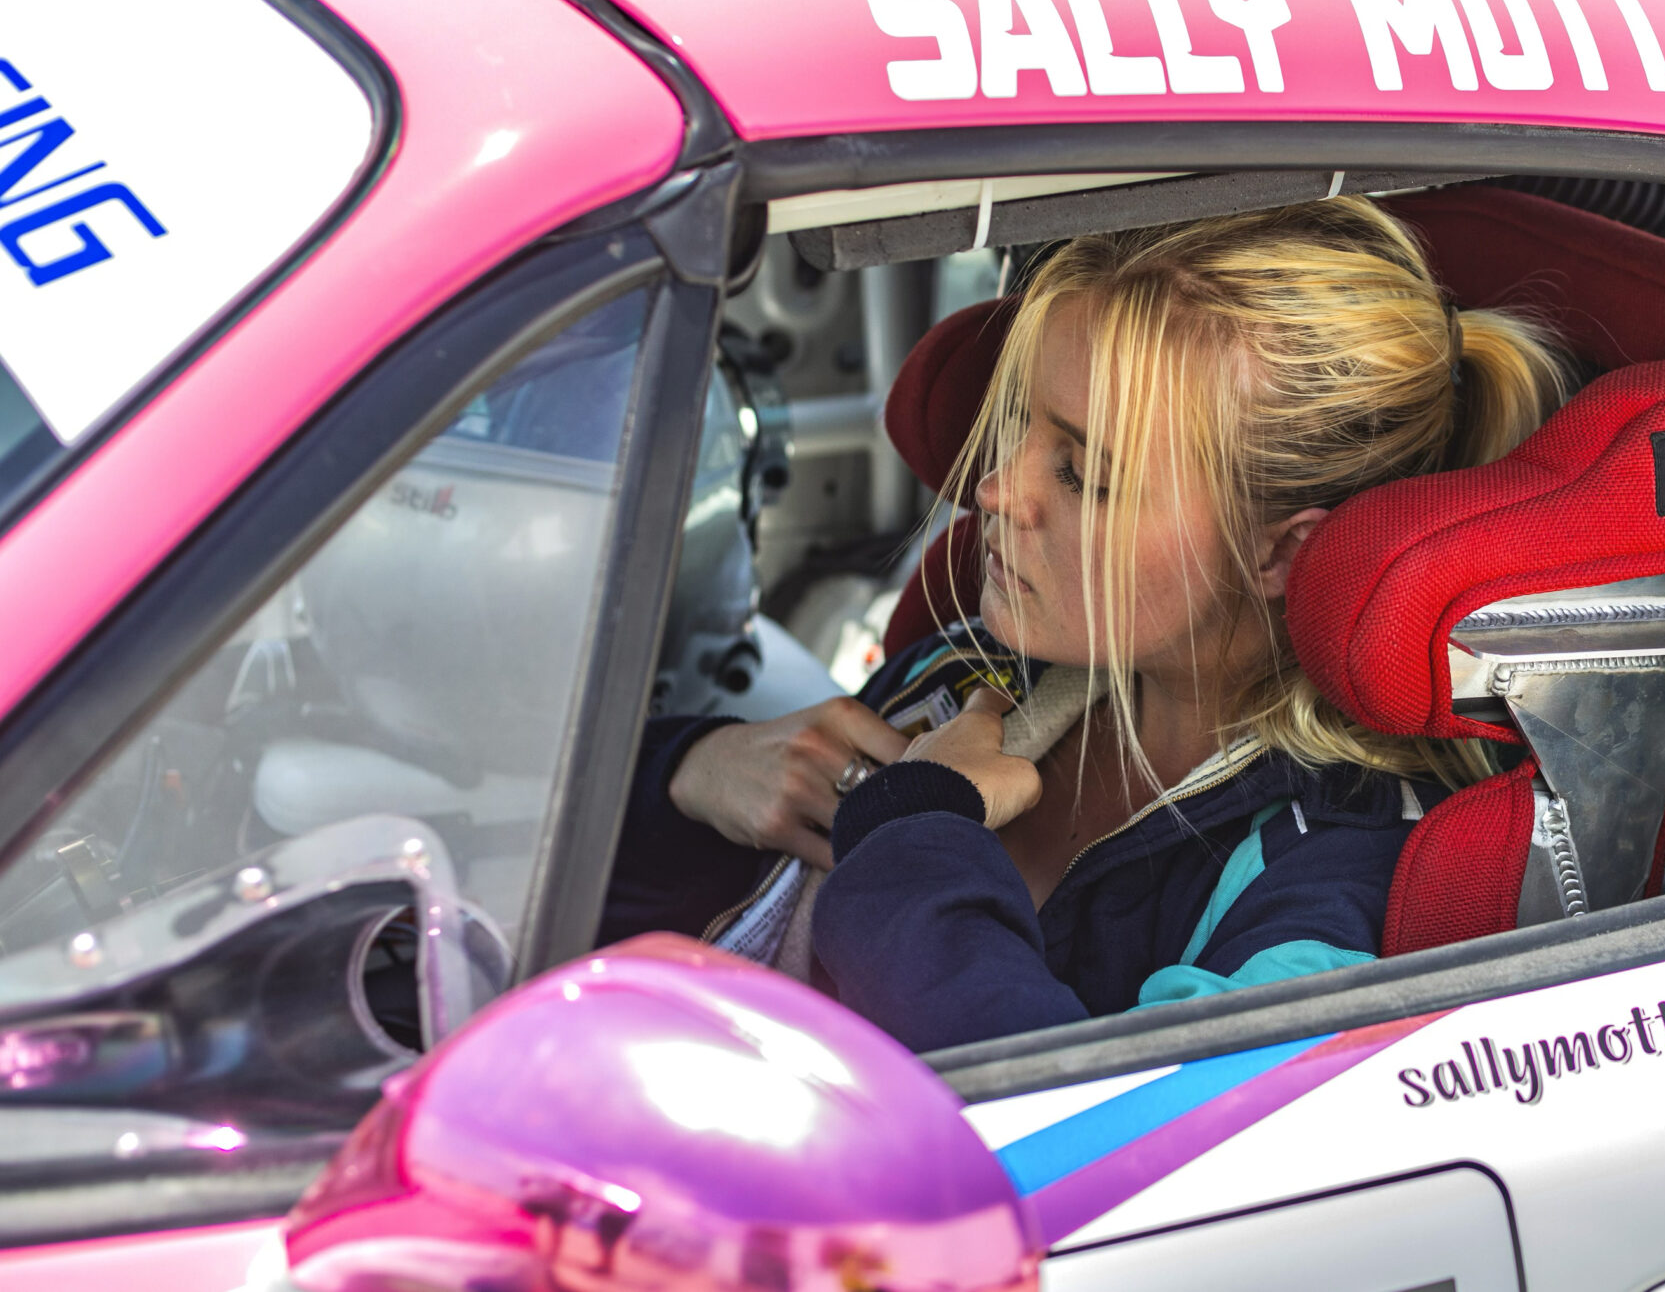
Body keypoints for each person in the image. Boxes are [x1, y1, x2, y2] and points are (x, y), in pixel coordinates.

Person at [602, 197, 1569, 1052]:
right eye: (1020, 423)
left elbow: (1091, 1143)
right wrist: (690, 773)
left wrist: (913, 825)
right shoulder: (977, 676)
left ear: (1280, 553)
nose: (996, 489)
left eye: (1081, 474)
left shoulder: (1329, 881)